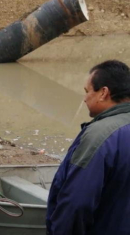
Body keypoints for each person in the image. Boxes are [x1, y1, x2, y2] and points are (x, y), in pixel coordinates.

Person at [46, 60, 130, 234]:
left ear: (103, 93)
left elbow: (77, 203)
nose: (84, 98)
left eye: (87, 91)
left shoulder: (100, 136)